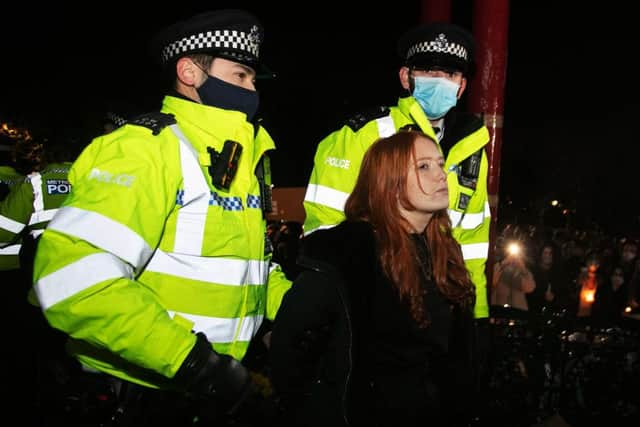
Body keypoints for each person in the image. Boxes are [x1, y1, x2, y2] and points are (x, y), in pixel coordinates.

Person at [32, 9, 292, 426]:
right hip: (142, 395)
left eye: (252, 79)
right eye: (241, 75)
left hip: (208, 390)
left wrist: (301, 308)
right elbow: (74, 279)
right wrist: (194, 364)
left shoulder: (243, 159)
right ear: (189, 72)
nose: (252, 88)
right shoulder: (145, 149)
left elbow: (247, 270)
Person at [270, 130, 477, 427]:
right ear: (389, 182)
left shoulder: (446, 253)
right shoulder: (346, 254)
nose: (441, 175)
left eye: (440, 164)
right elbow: (291, 353)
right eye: (423, 166)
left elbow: (455, 362)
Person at [302, 22, 491, 324]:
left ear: (462, 86)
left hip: (443, 317)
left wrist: (476, 320)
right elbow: (323, 235)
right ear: (406, 77)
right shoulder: (361, 136)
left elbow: (473, 245)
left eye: (450, 74)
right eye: (429, 71)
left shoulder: (472, 151)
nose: (440, 81)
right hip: (372, 310)